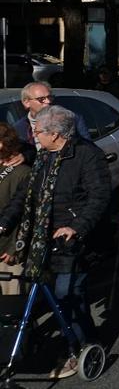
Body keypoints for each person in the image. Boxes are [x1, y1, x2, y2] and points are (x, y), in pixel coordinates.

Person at [0, 106, 110, 379]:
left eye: (38, 131)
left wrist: (76, 226)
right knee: (57, 297)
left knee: (67, 293)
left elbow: (98, 197)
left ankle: (82, 345)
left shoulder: (87, 155)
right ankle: (75, 339)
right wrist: (5, 222)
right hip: (45, 240)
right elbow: (25, 195)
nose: (34, 135)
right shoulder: (43, 157)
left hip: (74, 240)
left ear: (55, 134)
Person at [0, 124, 32, 296]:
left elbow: (24, 214)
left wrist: (15, 248)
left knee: (12, 300)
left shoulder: (22, 172)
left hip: (7, 251)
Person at [13, 82, 89, 145]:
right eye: (41, 99)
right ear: (26, 103)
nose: (48, 101)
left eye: (50, 97)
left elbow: (87, 147)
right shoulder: (19, 128)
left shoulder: (73, 118)